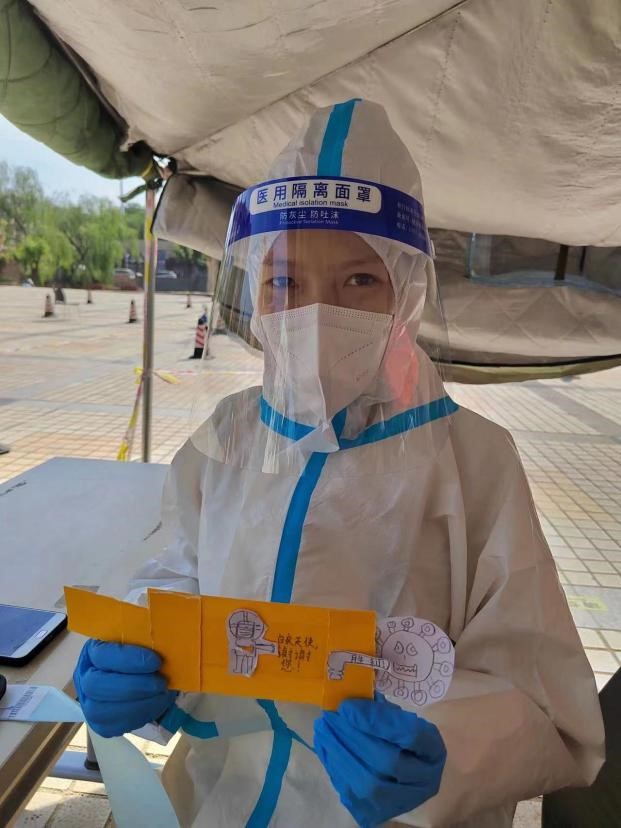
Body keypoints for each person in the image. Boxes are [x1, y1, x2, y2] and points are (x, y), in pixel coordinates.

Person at [74, 100, 604, 827]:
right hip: (214, 798)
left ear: (405, 292)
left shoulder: (473, 462)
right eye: (284, 283)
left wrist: (447, 749)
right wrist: (135, 643)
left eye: (358, 281)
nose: (315, 312)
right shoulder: (229, 434)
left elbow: (544, 699)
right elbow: (182, 569)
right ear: (254, 293)